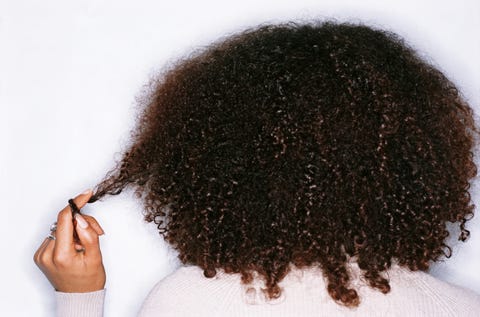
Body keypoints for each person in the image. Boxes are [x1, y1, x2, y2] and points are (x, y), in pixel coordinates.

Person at [34, 20, 480, 316]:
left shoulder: (188, 302)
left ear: (214, 164)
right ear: (417, 165)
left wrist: (78, 297)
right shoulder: (460, 308)